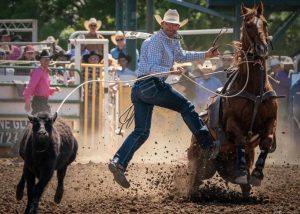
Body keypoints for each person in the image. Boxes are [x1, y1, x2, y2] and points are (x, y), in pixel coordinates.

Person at [108, 9, 220, 188]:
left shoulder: (172, 40)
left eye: (174, 24)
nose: (172, 27)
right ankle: (208, 144)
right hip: (151, 85)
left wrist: (205, 54)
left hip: (141, 89)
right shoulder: (154, 41)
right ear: (163, 24)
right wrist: (171, 70)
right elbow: (153, 67)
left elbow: (182, 56)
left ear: (177, 26)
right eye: (169, 24)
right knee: (186, 107)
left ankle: (118, 162)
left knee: (141, 132)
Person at [23, 49, 61, 115]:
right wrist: (27, 101)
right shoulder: (38, 71)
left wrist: (54, 89)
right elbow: (30, 87)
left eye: (48, 59)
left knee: (42, 121)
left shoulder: (45, 72)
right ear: (40, 60)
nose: (47, 61)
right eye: (45, 59)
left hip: (43, 101)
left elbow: (43, 88)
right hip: (39, 101)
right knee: (43, 120)